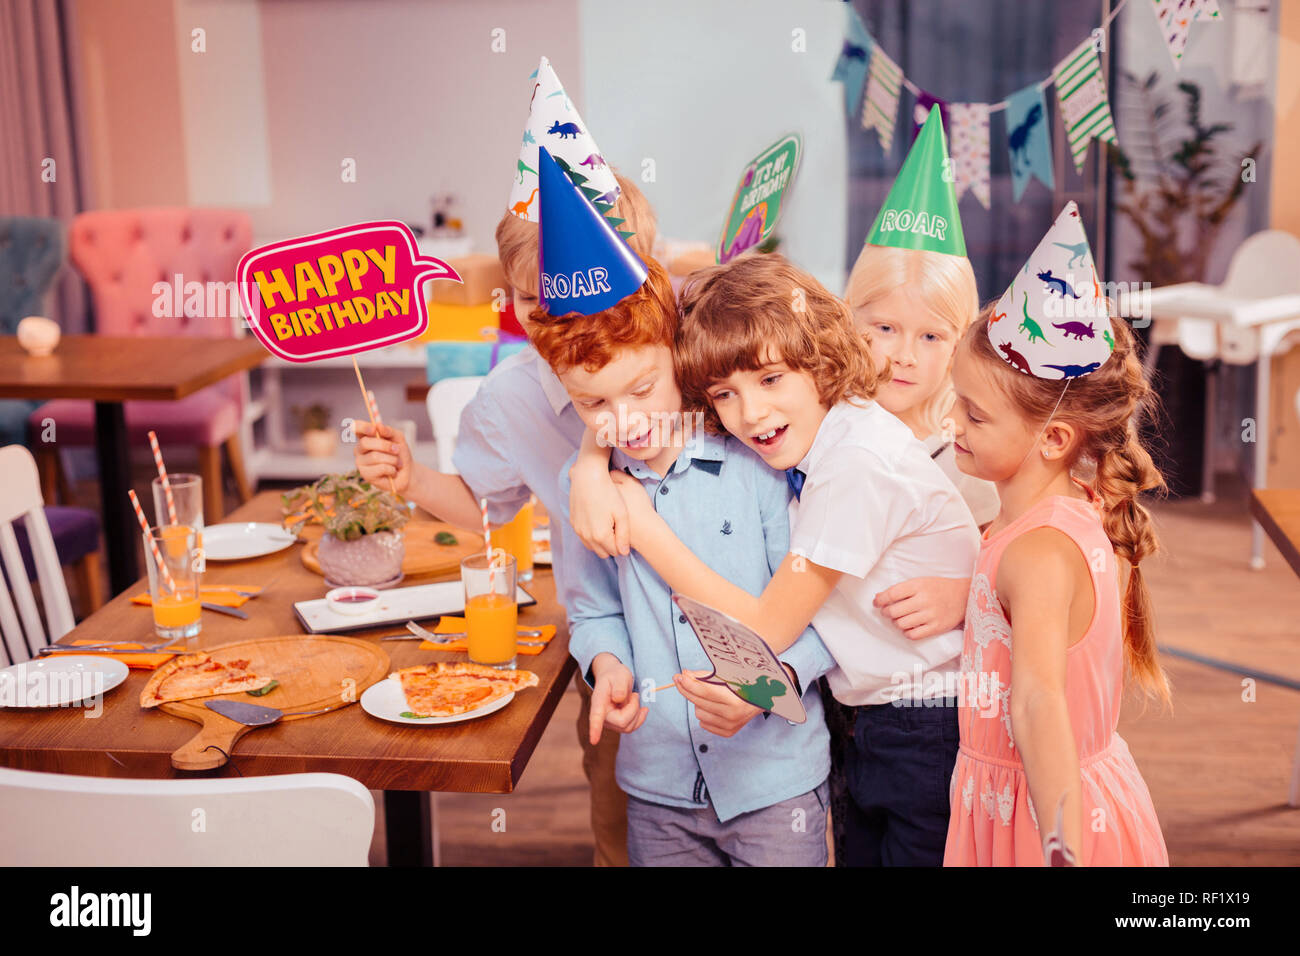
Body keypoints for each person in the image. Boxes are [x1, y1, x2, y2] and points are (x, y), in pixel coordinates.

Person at [353, 56, 644, 866]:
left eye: (567, 292)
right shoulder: (512, 397)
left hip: (718, 637)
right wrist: (413, 481)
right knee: (620, 825)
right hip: (612, 646)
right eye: (528, 303)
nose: (550, 322)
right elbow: (487, 503)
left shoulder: (683, 363)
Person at [598, 252, 981, 866]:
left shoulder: (853, 464)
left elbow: (763, 629)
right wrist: (591, 465)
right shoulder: (835, 442)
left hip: (926, 722)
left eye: (771, 380)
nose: (751, 413)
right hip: (874, 718)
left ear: (823, 362)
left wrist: (647, 532)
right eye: (726, 393)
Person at [528, 146, 834, 865]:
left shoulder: (759, 462)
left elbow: (823, 611)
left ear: (677, 352)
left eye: (641, 389)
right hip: (659, 786)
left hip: (775, 785)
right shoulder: (589, 493)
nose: (622, 419)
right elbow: (594, 610)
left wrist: (776, 683)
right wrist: (610, 668)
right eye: (590, 403)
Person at [942, 202, 1169, 866]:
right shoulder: (1073, 507)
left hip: (1043, 811)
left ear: (1055, 439)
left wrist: (1058, 842)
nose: (952, 424)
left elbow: (1039, 699)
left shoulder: (1039, 551)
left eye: (974, 415)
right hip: (1052, 791)